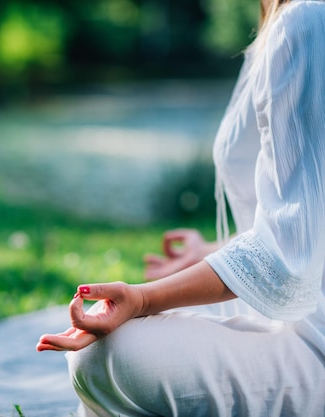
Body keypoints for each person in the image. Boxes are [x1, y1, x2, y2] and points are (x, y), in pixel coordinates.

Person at [36, 0, 325, 415]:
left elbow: (290, 258)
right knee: (111, 337)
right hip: (283, 311)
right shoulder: (276, 23)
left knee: (106, 356)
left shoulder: (310, 19)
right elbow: (310, 223)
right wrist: (214, 251)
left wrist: (143, 298)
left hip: (313, 341)